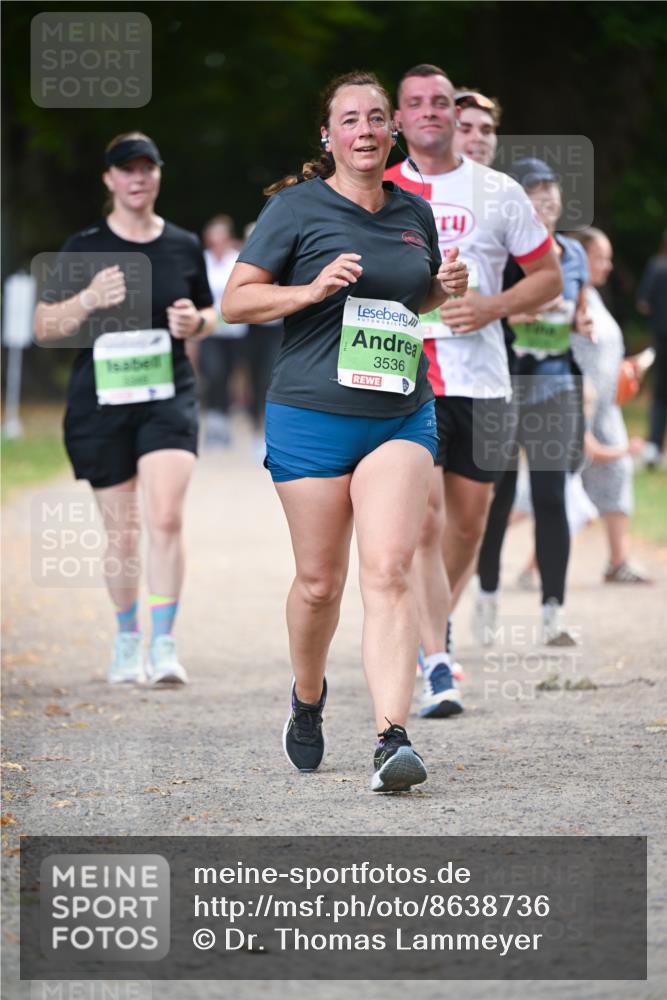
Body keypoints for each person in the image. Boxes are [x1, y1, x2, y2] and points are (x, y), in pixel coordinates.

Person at [222, 71, 467, 792]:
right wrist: (310, 289)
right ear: (326, 136)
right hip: (311, 416)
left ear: (392, 131)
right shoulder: (295, 210)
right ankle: (306, 697)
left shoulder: (412, 211)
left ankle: (391, 738)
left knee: (388, 570)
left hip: (398, 412)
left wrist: (437, 289)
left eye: (376, 118)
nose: (364, 129)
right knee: (320, 583)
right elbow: (236, 302)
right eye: (349, 119)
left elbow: (407, 291)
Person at [384, 66, 562, 714]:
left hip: (483, 378)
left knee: (467, 526)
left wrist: (491, 308)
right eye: (424, 106)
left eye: (445, 106)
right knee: (423, 522)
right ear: (404, 119)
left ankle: (435, 625)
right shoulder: (379, 189)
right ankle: (433, 662)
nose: (437, 117)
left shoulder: (498, 191)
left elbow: (547, 278)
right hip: (403, 376)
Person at [34, 132, 216, 685]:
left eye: (147, 168)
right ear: (109, 180)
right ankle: (127, 638)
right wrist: (88, 298)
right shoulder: (83, 246)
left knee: (164, 516)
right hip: (101, 402)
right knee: (123, 531)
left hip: (167, 395)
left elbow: (210, 313)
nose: (138, 177)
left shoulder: (183, 244)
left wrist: (196, 324)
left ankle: (164, 643)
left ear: (158, 175)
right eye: (126, 169)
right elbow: (43, 328)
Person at [474, 158, 591, 647]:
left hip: (555, 384)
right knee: (496, 500)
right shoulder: (499, 252)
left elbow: (577, 309)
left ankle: (553, 613)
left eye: (551, 192)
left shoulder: (574, 254)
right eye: (534, 192)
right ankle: (486, 601)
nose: (545, 201)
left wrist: (581, 321)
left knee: (550, 497)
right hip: (503, 384)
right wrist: (524, 302)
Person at [570, 227, 652, 583]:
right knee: (556, 490)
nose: (607, 265)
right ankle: (488, 549)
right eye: (600, 257)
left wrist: (623, 372)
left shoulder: (594, 296)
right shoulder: (567, 297)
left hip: (606, 407)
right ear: (578, 257)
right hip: (579, 408)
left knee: (612, 476)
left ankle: (618, 560)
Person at [198, 215, 248, 446]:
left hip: (234, 330)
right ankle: (213, 419)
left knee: (229, 376)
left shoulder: (237, 260)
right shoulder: (203, 260)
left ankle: (224, 421)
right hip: (210, 329)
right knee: (213, 373)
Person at [242, 221, 284, 462]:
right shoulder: (244, 266)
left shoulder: (284, 258)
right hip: (251, 329)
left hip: (278, 329)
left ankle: (270, 434)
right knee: (255, 380)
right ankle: (256, 430)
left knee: (271, 378)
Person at [637, 230, 667, 468]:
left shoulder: (657, 266)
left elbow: (643, 304)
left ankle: (654, 447)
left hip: (662, 339)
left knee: (659, 396)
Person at [453, 89, 501, 167]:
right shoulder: (427, 178)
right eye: (465, 130)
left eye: (486, 131)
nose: (478, 138)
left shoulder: (505, 179)